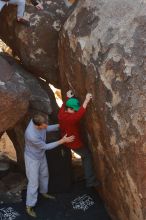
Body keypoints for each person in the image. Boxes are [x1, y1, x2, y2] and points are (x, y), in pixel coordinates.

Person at [24, 114, 74, 218]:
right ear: (37, 126)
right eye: (44, 125)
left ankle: (43, 192)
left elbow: (46, 128)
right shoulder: (31, 135)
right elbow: (46, 146)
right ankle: (29, 205)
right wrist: (62, 141)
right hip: (32, 159)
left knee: (44, 174)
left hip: (40, 155)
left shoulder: (37, 121)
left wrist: (61, 125)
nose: (46, 125)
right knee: (33, 183)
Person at [58, 90, 99, 189]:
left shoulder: (62, 112)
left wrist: (68, 97)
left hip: (67, 138)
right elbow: (79, 114)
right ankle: (90, 181)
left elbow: (65, 104)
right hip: (74, 143)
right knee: (86, 156)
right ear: (69, 109)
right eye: (74, 110)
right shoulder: (70, 118)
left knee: (84, 155)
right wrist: (86, 100)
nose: (75, 111)